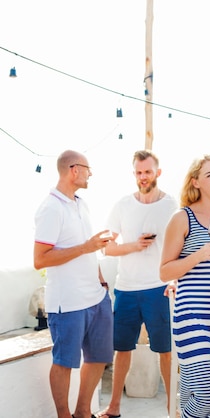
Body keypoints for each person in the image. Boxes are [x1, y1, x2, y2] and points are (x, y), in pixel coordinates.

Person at [97, 150, 178, 418]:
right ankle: (114, 407)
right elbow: (106, 248)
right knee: (122, 350)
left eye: (148, 171)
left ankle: (171, 409)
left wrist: (176, 279)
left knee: (165, 351)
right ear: (134, 174)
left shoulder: (171, 205)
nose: (143, 177)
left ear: (158, 172)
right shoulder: (122, 205)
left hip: (160, 288)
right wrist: (134, 245)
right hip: (127, 289)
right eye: (139, 172)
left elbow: (180, 248)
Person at [33, 150, 114, 418]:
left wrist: (102, 282)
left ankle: (82, 413)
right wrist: (86, 246)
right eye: (88, 169)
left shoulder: (82, 203)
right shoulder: (50, 208)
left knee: (99, 357)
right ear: (74, 170)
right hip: (67, 302)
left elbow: (88, 250)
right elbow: (40, 259)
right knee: (64, 363)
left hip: (96, 297)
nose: (91, 174)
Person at [160, 155, 210, 418]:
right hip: (191, 313)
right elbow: (164, 271)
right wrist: (198, 255)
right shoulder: (182, 218)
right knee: (206, 394)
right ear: (195, 182)